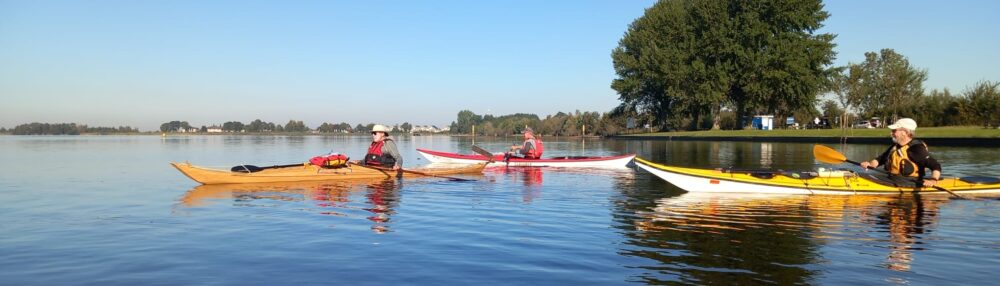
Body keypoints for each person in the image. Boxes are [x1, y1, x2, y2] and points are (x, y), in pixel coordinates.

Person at [859, 118, 942, 187]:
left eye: (894, 131)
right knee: (859, 175)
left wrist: (933, 180)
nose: (891, 133)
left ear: (904, 132)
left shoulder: (916, 148)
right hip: (892, 179)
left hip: (910, 183)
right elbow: (880, 160)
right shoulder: (895, 147)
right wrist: (869, 164)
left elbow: (935, 165)